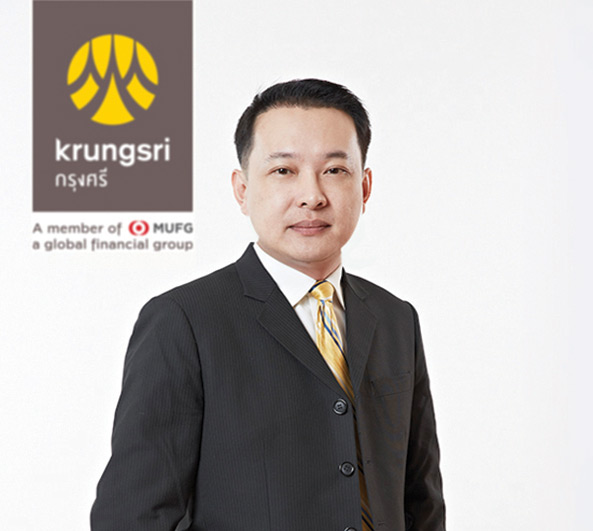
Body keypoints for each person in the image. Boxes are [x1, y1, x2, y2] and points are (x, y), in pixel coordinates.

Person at [91, 79, 446, 531]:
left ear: (365, 186)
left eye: (335, 170)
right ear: (242, 190)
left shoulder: (395, 318)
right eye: (283, 170)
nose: (312, 195)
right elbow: (134, 515)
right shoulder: (184, 321)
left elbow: (421, 500)